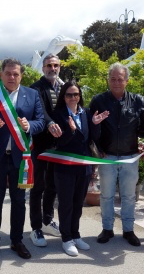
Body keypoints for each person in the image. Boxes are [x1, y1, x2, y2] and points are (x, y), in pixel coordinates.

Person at [0, 58, 45, 260]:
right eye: (8, 73)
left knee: (19, 200)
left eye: (16, 74)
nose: (12, 77)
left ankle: (16, 240)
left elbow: (40, 122)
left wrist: (29, 126)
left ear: (21, 75)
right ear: (2, 74)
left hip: (21, 157)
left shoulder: (32, 94)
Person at [90, 62, 144, 247]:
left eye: (120, 79)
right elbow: (92, 130)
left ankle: (128, 230)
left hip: (130, 157)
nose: (116, 82)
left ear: (127, 81)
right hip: (108, 157)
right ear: (108, 80)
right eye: (112, 79)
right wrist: (97, 150)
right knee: (106, 195)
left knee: (129, 196)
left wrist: (143, 143)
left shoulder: (138, 101)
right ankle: (107, 229)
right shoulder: (98, 101)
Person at [52, 81, 109, 256]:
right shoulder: (58, 115)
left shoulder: (86, 113)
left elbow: (92, 139)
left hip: (83, 167)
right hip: (65, 167)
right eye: (69, 94)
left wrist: (95, 124)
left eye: (76, 94)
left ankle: (75, 234)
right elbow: (58, 142)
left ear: (80, 96)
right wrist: (70, 130)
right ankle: (66, 238)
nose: (73, 98)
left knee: (78, 203)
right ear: (63, 96)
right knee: (66, 203)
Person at [29, 53, 63, 247]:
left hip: (59, 145)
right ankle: (36, 228)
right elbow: (41, 111)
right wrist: (50, 124)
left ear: (60, 67)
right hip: (40, 145)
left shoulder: (64, 87)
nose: (52, 68)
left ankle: (47, 220)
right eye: (49, 65)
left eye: (55, 65)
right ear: (43, 68)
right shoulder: (35, 88)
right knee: (38, 187)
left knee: (53, 186)